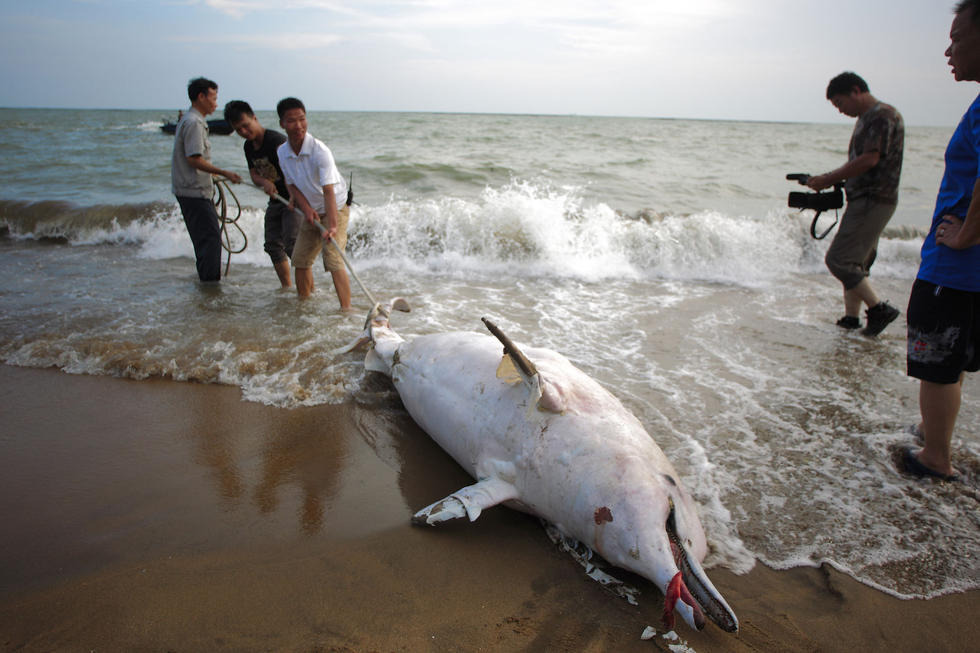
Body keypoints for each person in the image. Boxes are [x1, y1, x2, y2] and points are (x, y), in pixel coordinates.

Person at [901, 0, 980, 482]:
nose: (948, 51)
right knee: (956, 358)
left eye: (957, 39)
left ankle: (935, 457)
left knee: (937, 364)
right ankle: (938, 435)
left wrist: (965, 234)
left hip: (955, 268)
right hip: (969, 269)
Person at [806, 72, 904, 337]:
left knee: (839, 260)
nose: (840, 110)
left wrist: (828, 179)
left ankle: (879, 309)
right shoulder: (868, 118)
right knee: (856, 263)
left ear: (856, 90)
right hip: (867, 198)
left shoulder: (881, 116)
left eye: (840, 103)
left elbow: (869, 160)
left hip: (874, 199)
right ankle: (851, 318)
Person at [275, 97, 351, 308]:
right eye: (292, 120)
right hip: (312, 209)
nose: (298, 125)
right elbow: (291, 184)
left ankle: (346, 310)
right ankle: (303, 307)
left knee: (333, 260)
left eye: (302, 119)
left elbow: (328, 190)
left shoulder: (320, 151)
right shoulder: (282, 152)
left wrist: (332, 226)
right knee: (300, 259)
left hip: (335, 207)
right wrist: (306, 208)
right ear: (282, 123)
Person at [224, 100, 301, 288]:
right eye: (238, 129)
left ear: (254, 118)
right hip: (275, 200)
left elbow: (297, 169)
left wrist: (295, 197)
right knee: (272, 245)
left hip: (294, 199)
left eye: (246, 125)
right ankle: (286, 288)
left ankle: (307, 290)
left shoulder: (276, 141)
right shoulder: (248, 147)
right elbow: (254, 174)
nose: (244, 131)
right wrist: (264, 182)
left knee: (293, 245)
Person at [171, 77, 241, 282]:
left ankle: (206, 284)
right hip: (194, 192)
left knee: (205, 241)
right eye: (214, 98)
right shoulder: (194, 122)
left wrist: (212, 173)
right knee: (211, 241)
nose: (216, 103)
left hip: (191, 190)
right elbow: (194, 159)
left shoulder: (189, 120)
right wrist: (225, 172)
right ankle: (210, 288)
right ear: (201, 97)